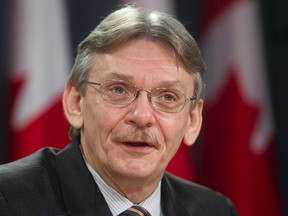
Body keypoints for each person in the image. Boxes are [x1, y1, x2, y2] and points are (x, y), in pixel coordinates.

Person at [0, 5, 238, 216]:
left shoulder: (215, 210)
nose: (142, 116)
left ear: (193, 120)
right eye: (118, 90)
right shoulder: (8, 199)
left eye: (167, 97)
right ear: (75, 102)